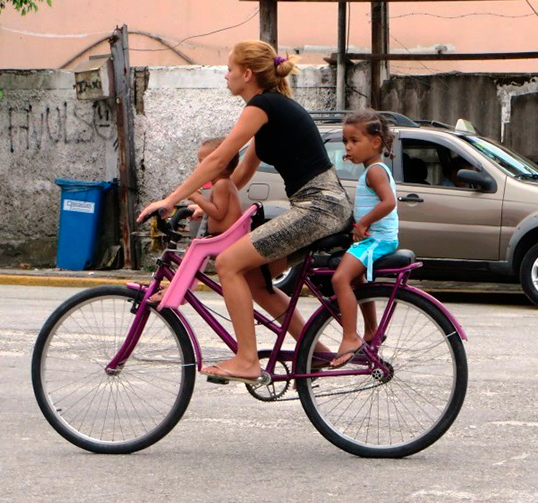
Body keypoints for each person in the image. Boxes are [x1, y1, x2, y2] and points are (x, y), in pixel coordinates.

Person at [137, 40, 353, 384]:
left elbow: (219, 159)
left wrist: (170, 198)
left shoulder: (262, 105)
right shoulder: (271, 109)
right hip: (322, 206)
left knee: (227, 263)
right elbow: (238, 175)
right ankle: (318, 352)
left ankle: (247, 360)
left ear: (247, 74)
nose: (226, 76)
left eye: (230, 69)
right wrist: (197, 204)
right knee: (255, 279)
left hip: (319, 206)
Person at [330, 110, 399, 367]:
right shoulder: (372, 170)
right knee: (356, 279)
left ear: (375, 142)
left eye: (354, 141)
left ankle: (350, 337)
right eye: (345, 141)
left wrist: (364, 223)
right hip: (377, 239)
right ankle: (371, 330)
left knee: (340, 278)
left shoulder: (375, 172)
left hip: (377, 240)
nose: (348, 147)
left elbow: (389, 202)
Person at [150, 137, 241, 302]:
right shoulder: (223, 183)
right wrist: (200, 210)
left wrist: (196, 198)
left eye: (204, 162)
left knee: (194, 250)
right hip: (224, 236)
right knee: (195, 250)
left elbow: (219, 213)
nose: (200, 168)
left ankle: (178, 290)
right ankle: (181, 288)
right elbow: (220, 210)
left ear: (221, 163)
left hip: (226, 238)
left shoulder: (222, 184)